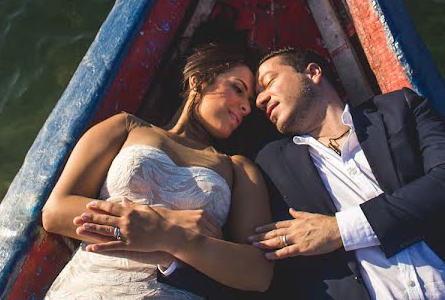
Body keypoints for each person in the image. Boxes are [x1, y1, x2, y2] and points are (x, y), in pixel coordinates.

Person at [247, 47, 445, 300]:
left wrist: (340, 230)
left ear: (313, 73)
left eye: (270, 81)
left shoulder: (399, 109)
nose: (260, 99)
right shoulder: (271, 165)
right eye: (256, 96)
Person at [40, 41, 273, 299]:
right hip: (90, 286)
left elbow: (258, 273)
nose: (246, 106)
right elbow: (55, 212)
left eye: (250, 101)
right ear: (199, 80)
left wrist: (173, 237)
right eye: (237, 89)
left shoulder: (238, 168)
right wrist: (162, 219)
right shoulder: (127, 127)